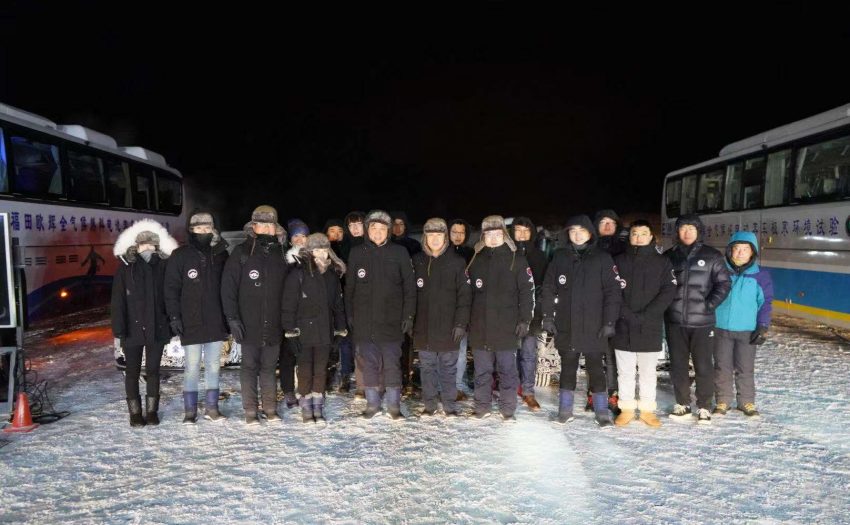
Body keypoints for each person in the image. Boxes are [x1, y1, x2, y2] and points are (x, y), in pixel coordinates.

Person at [541, 215, 621, 428]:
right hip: (567, 324)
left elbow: (613, 292)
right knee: (568, 367)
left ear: (590, 233)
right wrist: (548, 316)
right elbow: (548, 288)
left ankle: (602, 412)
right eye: (573, 231)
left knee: (596, 369)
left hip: (595, 325)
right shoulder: (560, 256)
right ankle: (564, 411)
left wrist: (609, 321)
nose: (577, 235)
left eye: (582, 231)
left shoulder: (602, 258)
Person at [221, 205, 289, 425]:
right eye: (262, 225)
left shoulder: (282, 254)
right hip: (248, 324)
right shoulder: (241, 253)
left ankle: (270, 408)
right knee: (249, 367)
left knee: (269, 367)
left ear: (276, 228)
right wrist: (232, 318)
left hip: (274, 324)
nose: (266, 229)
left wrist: (288, 321)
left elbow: (290, 291)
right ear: (254, 227)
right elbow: (228, 289)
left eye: (270, 225)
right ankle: (250, 411)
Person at [345, 210, 416, 419]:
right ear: (367, 230)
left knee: (392, 364)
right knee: (369, 364)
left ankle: (394, 406)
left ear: (389, 231)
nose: (377, 232)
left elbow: (410, 288)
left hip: (392, 321)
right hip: (365, 322)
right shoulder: (357, 253)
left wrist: (408, 316)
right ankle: (373, 404)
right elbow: (350, 288)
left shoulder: (399, 252)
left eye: (382, 229)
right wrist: (350, 315)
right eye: (373, 228)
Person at [664, 214, 731, 425]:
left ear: (699, 231)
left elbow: (724, 284)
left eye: (691, 229)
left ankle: (704, 406)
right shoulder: (669, 256)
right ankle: (682, 403)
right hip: (675, 321)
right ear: (677, 232)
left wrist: (708, 305)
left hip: (702, 322)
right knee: (678, 365)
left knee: (703, 365)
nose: (687, 232)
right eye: (683, 228)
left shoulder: (712, 255)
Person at [164, 211, 230, 424]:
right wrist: (174, 316)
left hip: (215, 320)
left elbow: (229, 288)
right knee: (191, 366)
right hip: (190, 321)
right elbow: (171, 288)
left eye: (207, 228)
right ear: (191, 230)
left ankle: (212, 408)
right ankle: (190, 411)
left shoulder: (221, 254)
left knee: (213, 366)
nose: (203, 231)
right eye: (198, 228)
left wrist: (229, 318)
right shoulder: (180, 255)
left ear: (213, 229)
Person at [111, 219, 178, 427]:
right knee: (131, 372)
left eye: (151, 245)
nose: (147, 249)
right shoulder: (125, 268)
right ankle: (135, 413)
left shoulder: (164, 266)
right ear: (136, 246)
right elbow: (118, 301)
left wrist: (172, 321)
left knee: (153, 371)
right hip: (132, 329)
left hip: (157, 327)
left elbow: (170, 297)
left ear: (157, 247)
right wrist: (119, 329)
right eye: (143, 245)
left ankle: (151, 412)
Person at [467, 215, 534, 420]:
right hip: (480, 328)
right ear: (483, 236)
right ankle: (482, 407)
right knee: (482, 372)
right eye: (489, 234)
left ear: (504, 235)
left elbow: (527, 292)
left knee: (507, 371)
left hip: (507, 328)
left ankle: (508, 409)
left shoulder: (517, 260)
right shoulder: (475, 260)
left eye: (497, 234)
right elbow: (467, 295)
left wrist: (525, 320)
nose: (493, 238)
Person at [611, 220, 676, 427]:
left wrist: (648, 314)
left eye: (643, 234)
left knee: (648, 372)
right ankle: (627, 408)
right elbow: (611, 291)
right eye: (634, 234)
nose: (638, 238)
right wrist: (626, 314)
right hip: (623, 324)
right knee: (625, 371)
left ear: (651, 237)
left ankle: (647, 410)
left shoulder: (662, 262)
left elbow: (668, 291)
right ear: (629, 237)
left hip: (650, 324)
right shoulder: (618, 261)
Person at [282, 233, 347, 422]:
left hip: (325, 331)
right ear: (309, 252)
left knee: (320, 370)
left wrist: (340, 329)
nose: (321, 254)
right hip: (304, 332)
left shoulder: (332, 276)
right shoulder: (298, 274)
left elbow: (338, 305)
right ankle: (306, 408)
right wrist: (291, 332)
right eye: (316, 250)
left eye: (324, 250)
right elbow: (288, 305)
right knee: (304, 371)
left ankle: (318, 406)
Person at [411, 218, 471, 416]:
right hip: (424, 327)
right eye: (431, 235)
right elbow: (410, 294)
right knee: (427, 369)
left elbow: (465, 296)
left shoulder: (457, 262)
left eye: (439, 235)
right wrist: (410, 319)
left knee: (448, 368)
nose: (435, 239)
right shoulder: (417, 261)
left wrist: (461, 323)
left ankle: (449, 406)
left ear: (445, 237)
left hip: (449, 327)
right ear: (425, 237)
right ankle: (429, 406)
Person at [713, 231, 774, 418]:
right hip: (721, 327)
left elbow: (765, 302)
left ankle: (746, 401)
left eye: (745, 249)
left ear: (752, 252)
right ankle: (723, 400)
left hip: (747, 329)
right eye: (736, 248)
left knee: (745, 367)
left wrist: (762, 325)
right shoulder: (719, 271)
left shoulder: (760, 275)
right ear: (730, 251)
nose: (740, 253)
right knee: (722, 366)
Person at [512, 217, 549, 411]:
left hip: (532, 313)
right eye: (518, 230)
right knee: (508, 353)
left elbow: (545, 284)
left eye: (526, 231)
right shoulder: (507, 253)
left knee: (528, 353)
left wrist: (540, 307)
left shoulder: (539, 256)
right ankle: (509, 387)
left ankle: (528, 391)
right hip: (508, 312)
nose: (522, 235)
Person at [448, 218, 474, 399]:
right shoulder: (441, 251)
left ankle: (457, 385)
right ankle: (443, 385)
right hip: (443, 308)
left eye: (461, 232)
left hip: (463, 308)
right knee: (442, 351)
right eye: (454, 232)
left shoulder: (471, 254)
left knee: (461, 350)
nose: (457, 236)